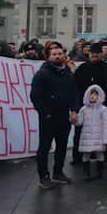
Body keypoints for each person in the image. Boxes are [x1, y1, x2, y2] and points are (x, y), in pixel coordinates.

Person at [30, 44, 78, 189]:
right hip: (48, 117)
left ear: (64, 55)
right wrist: (46, 113)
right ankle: (43, 176)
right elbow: (35, 96)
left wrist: (74, 110)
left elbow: (74, 92)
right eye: (54, 54)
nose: (57, 56)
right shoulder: (42, 73)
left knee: (62, 146)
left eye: (59, 54)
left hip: (64, 116)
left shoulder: (68, 73)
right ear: (49, 57)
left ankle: (58, 172)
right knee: (44, 148)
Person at [71, 42, 107, 164]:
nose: (95, 55)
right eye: (93, 53)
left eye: (97, 53)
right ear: (89, 54)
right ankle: (78, 157)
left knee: (100, 132)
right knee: (81, 132)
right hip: (84, 106)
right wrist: (76, 107)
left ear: (101, 54)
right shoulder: (82, 68)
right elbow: (75, 87)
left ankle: (101, 158)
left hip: (101, 107)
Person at [76, 84, 107, 182]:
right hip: (86, 138)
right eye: (91, 94)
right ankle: (86, 173)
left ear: (99, 96)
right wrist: (74, 120)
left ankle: (99, 173)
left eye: (96, 94)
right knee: (85, 155)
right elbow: (79, 122)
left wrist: (106, 139)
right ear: (87, 95)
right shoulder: (83, 109)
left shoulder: (103, 109)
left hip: (98, 137)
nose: (93, 96)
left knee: (99, 154)